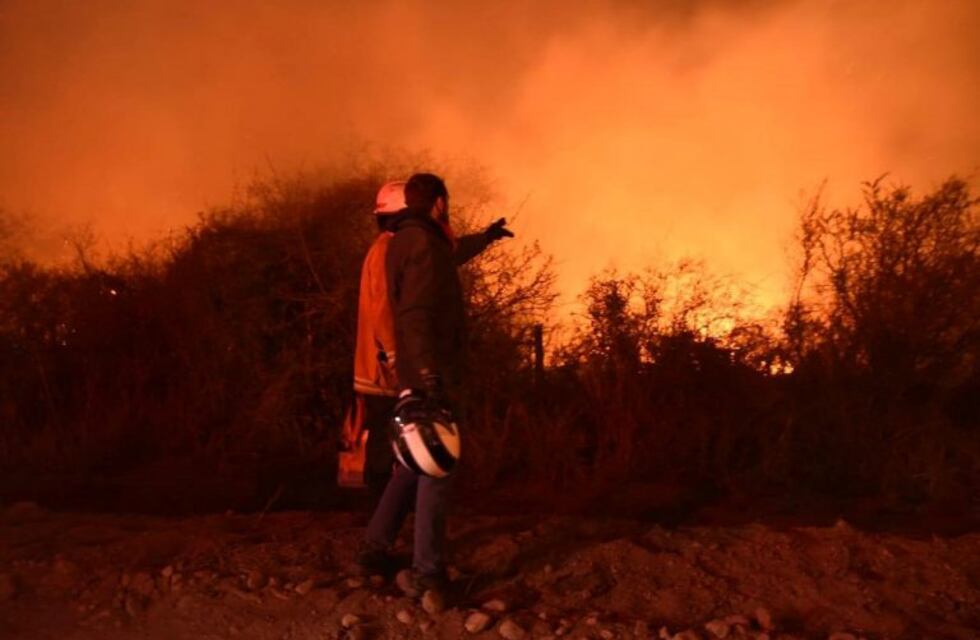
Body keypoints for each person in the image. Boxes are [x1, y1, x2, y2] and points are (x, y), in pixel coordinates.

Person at [354, 173, 513, 603]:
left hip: (414, 371)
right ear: (440, 203)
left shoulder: (407, 241)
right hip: (427, 373)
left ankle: (374, 548)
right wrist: (425, 378)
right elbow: (415, 314)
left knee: (411, 464)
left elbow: (445, 258)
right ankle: (428, 572)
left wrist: (484, 238)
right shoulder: (420, 243)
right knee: (437, 466)